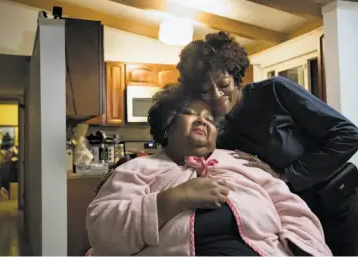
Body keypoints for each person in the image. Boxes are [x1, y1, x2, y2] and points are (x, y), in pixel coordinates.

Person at [86, 84, 331, 256]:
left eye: (210, 119)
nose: (202, 120)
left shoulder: (241, 163)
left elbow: (294, 212)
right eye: (191, 114)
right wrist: (176, 198)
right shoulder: (138, 169)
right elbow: (104, 232)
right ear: (167, 125)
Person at [176, 31, 358, 255]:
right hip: (289, 223)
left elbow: (348, 134)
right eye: (205, 89)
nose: (216, 95)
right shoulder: (212, 125)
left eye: (223, 83)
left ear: (235, 75)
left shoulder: (275, 91)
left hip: (336, 206)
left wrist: (286, 176)